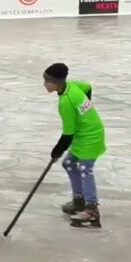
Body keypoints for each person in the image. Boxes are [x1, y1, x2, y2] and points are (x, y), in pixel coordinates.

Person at [43, 64, 106, 228]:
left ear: (56, 82)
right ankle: (79, 200)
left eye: (47, 81)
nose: (44, 84)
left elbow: (67, 135)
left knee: (85, 169)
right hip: (83, 134)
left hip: (90, 136)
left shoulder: (66, 102)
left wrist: (56, 152)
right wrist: (84, 111)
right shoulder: (71, 85)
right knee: (69, 163)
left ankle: (91, 211)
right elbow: (88, 87)